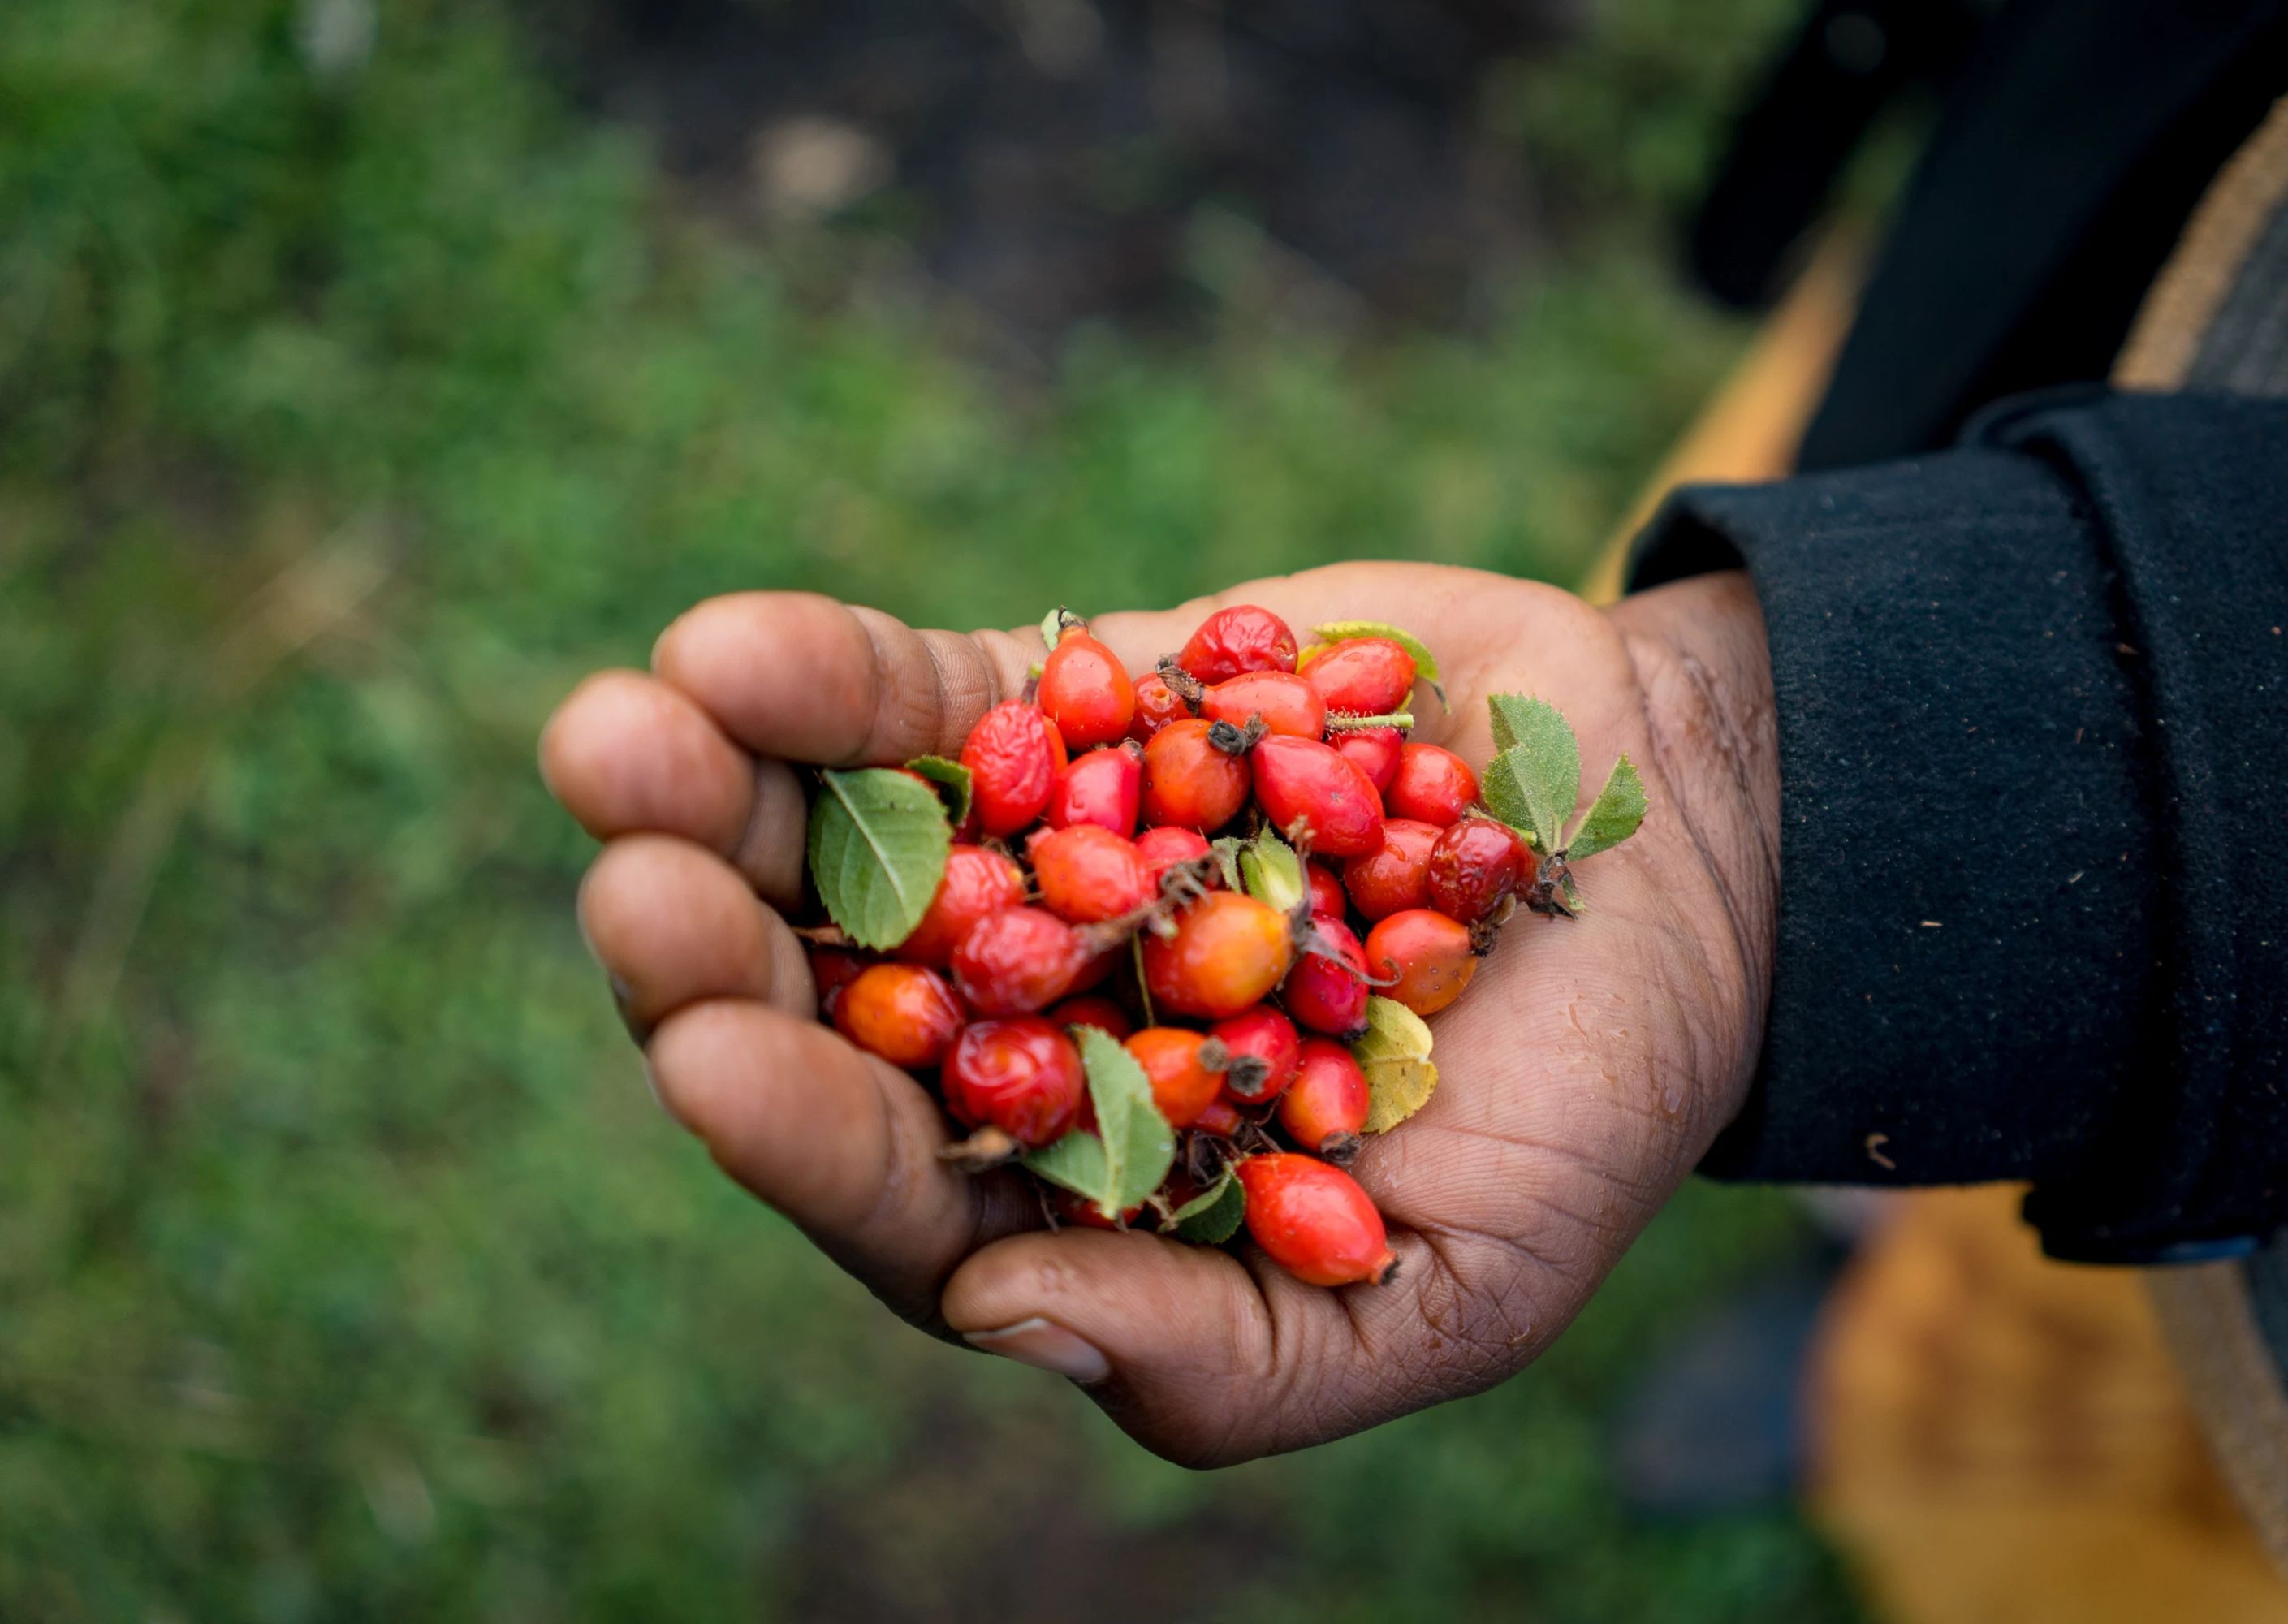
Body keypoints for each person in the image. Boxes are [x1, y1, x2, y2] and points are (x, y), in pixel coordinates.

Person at [537, 0, 2288, 1493]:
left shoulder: (1291, 909)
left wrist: (1747, 790)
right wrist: (1777, 739)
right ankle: (1861, 1305)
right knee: (1950, 1207)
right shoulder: (1246, 872)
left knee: (2142, 1397)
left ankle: (1953, 1394)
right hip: (2114, 183)